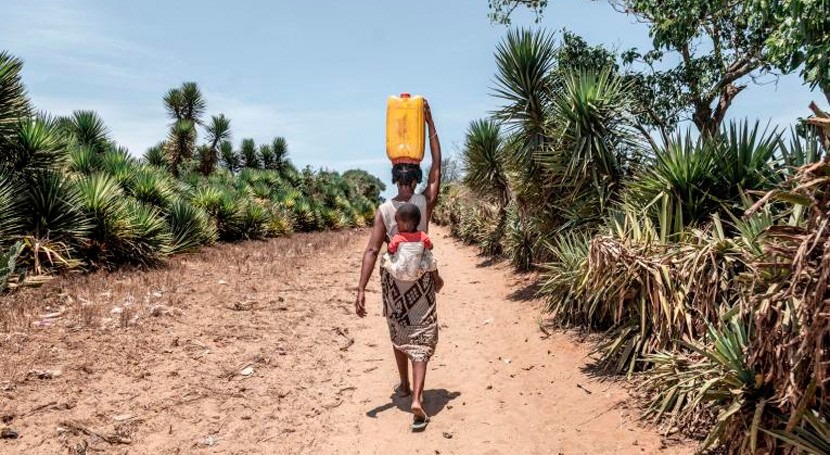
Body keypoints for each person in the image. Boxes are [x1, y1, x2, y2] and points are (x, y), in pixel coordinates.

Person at [355, 99, 441, 432]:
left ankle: (403, 385)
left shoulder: (384, 210)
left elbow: (371, 250)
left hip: (393, 283)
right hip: (420, 281)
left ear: (395, 179)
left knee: (399, 331)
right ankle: (417, 396)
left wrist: (361, 288)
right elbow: (438, 166)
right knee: (421, 334)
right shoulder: (424, 201)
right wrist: (429, 124)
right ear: (416, 178)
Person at [382, 203, 444, 292]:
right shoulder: (423, 236)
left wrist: (389, 243)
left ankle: (383, 278)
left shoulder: (398, 237)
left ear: (407, 225)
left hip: (398, 272)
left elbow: (391, 250)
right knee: (429, 255)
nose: (397, 227)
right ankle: (437, 279)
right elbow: (431, 247)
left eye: (398, 224)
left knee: (385, 256)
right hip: (417, 272)